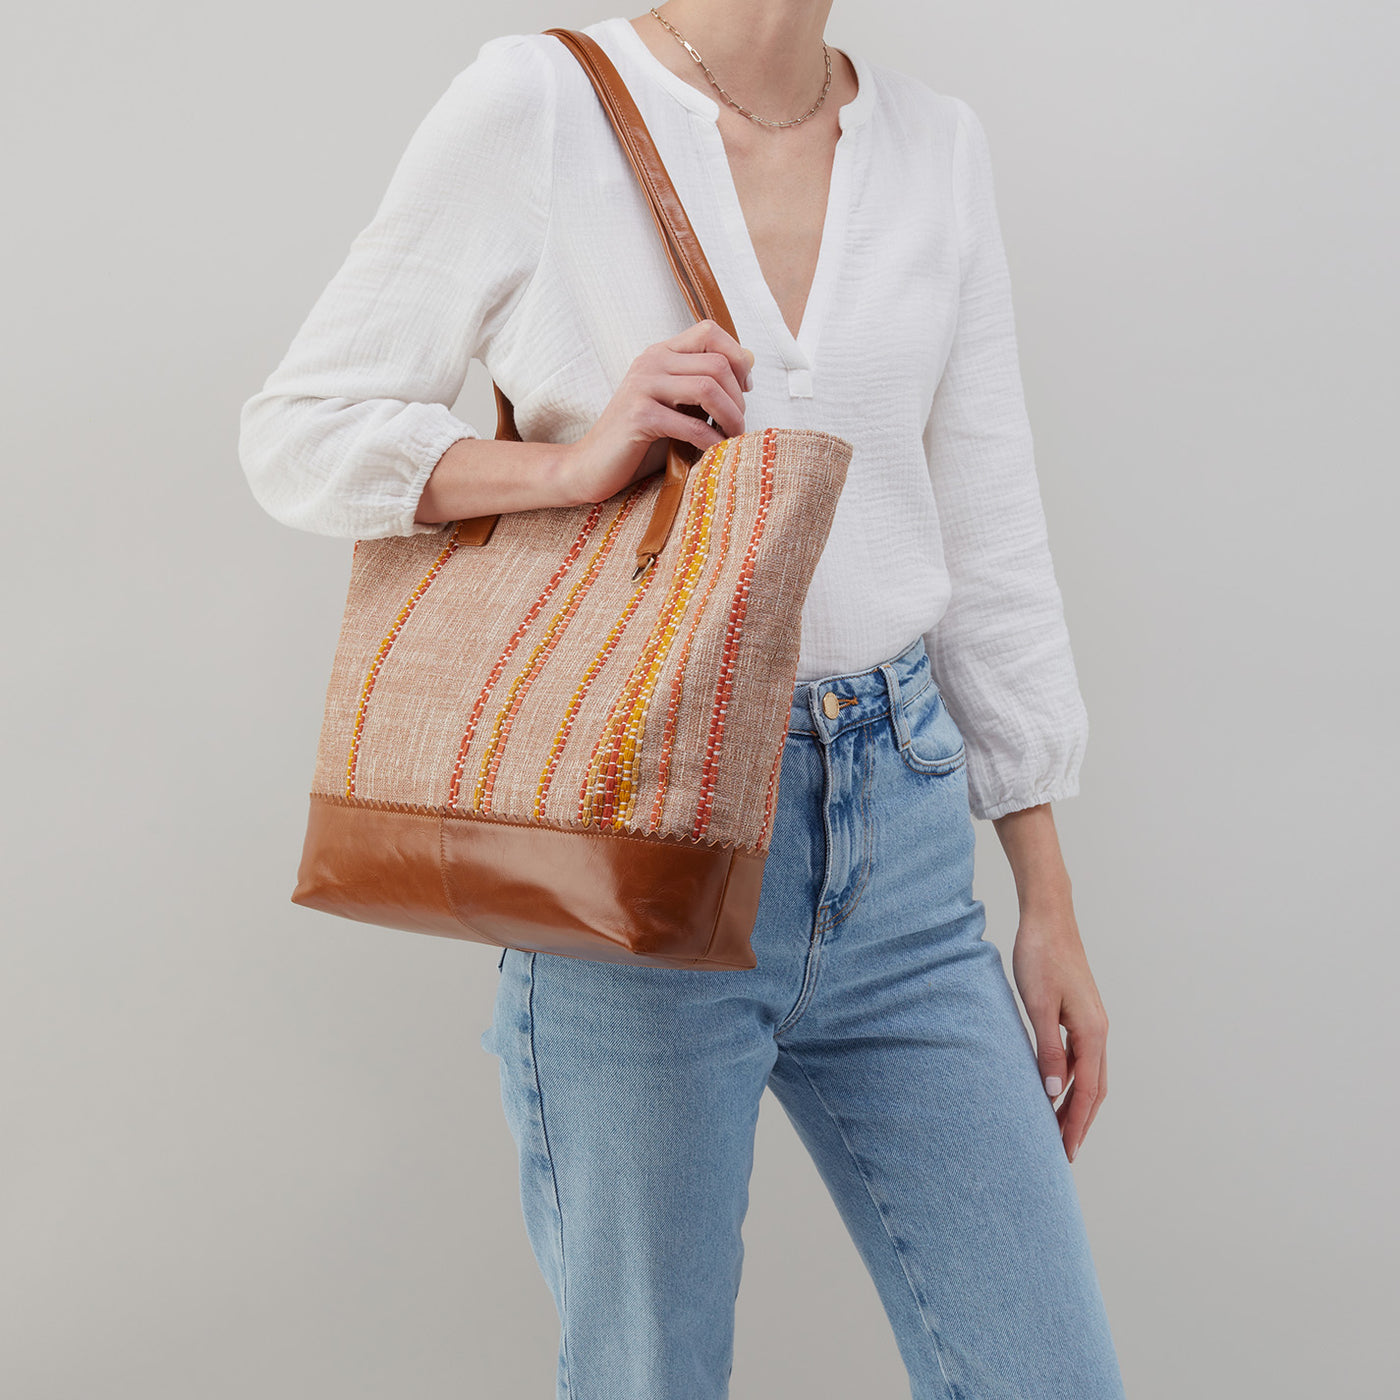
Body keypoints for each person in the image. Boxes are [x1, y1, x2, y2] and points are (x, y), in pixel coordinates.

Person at [239, 4, 1126, 1396]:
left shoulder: (936, 148)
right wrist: (567, 465)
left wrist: (1048, 902)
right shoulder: (540, 104)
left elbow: (990, 534)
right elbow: (300, 429)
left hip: (903, 854)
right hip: (631, 850)